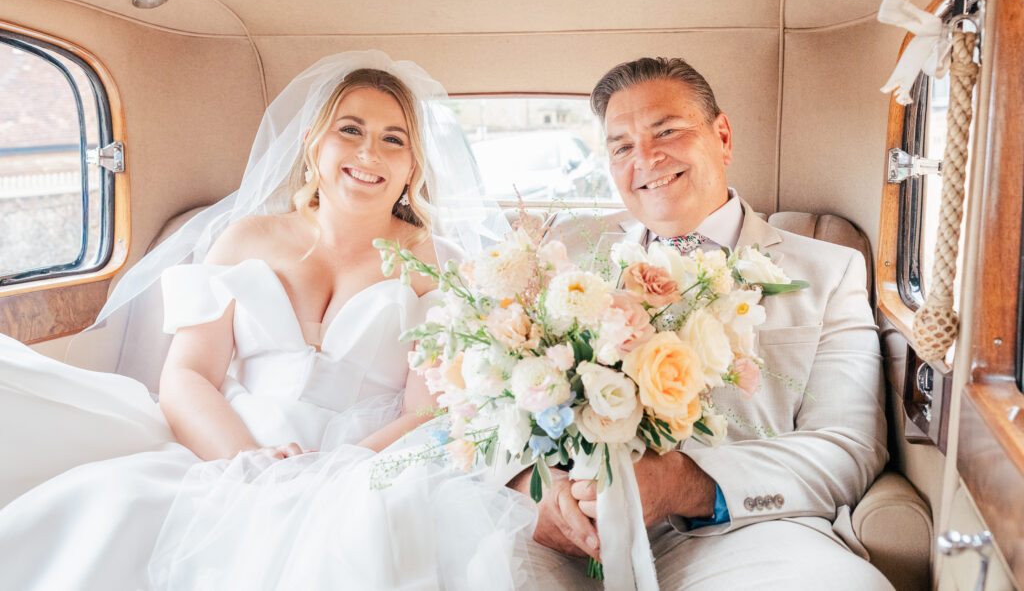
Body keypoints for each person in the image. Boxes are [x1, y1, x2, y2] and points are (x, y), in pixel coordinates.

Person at [0, 51, 533, 590]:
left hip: (369, 465)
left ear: (413, 164)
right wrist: (252, 462)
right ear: (312, 142)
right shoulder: (245, 238)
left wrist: (331, 474)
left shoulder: (440, 265)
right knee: (109, 511)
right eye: (350, 130)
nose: (369, 152)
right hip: (228, 449)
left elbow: (427, 412)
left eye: (394, 139)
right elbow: (187, 377)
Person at [512, 57, 894, 590]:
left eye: (666, 131)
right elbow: (497, 414)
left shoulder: (830, 270)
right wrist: (545, 492)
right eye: (622, 146)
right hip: (573, 541)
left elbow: (848, 446)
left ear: (723, 136)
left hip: (748, 535)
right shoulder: (566, 262)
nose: (645, 158)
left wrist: (687, 485)